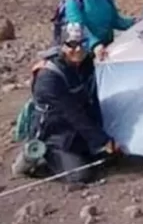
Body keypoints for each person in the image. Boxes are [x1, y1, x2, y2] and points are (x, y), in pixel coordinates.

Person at [21, 24, 122, 184]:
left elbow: (92, 99)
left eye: (83, 43)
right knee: (81, 176)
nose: (79, 49)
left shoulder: (85, 64)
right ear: (61, 46)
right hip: (55, 135)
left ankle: (81, 153)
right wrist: (103, 140)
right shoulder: (48, 77)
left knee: (112, 158)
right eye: (72, 45)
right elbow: (73, 114)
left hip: (78, 132)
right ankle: (41, 159)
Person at [64, 0, 135, 61]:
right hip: (85, 53)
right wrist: (95, 44)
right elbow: (78, 28)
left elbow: (115, 20)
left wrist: (133, 23)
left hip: (107, 48)